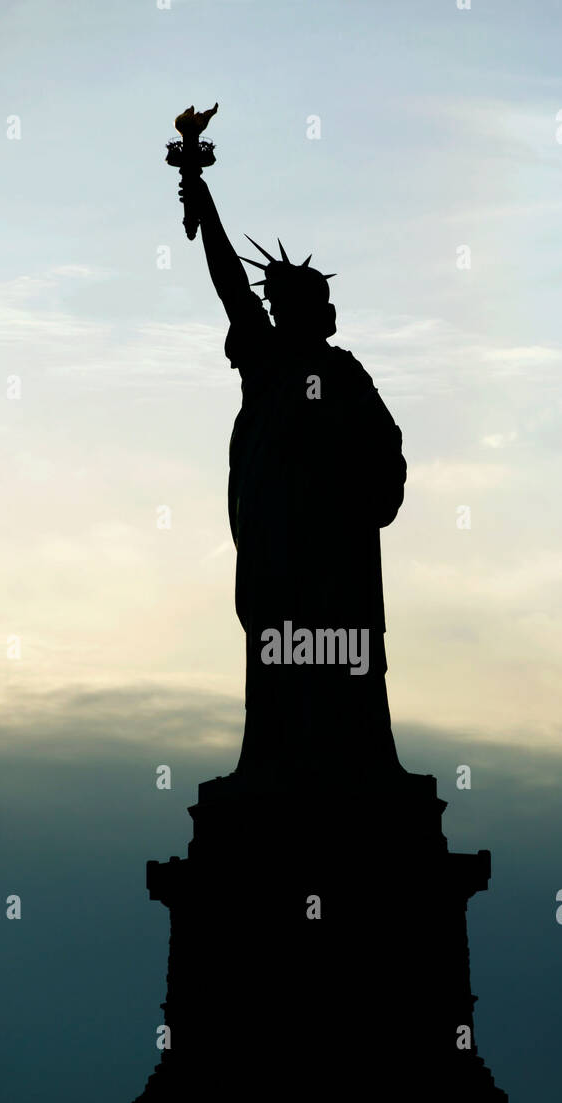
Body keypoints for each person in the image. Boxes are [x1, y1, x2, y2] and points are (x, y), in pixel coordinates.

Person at [181, 170, 408, 787]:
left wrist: (372, 492)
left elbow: (387, 452)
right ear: (291, 312)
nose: (326, 314)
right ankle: (282, 765)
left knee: (343, 666)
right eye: (310, 305)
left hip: (338, 553)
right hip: (285, 551)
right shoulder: (268, 358)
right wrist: (205, 205)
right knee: (284, 662)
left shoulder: (345, 373)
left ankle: (352, 767)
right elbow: (231, 285)